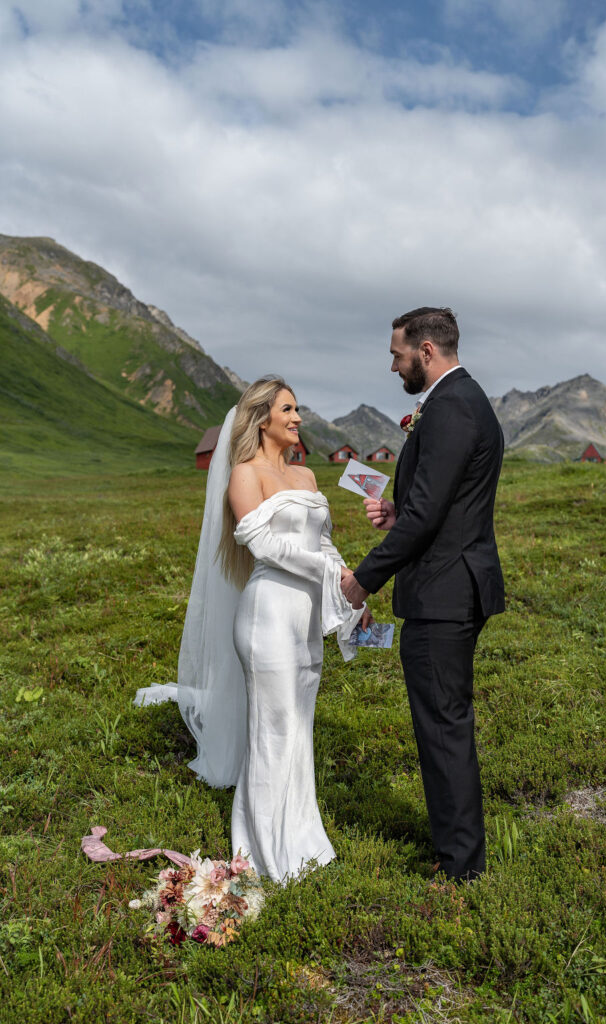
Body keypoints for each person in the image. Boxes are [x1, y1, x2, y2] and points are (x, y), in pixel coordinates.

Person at [137, 376, 368, 884]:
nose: (298, 418)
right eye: (288, 409)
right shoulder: (244, 474)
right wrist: (333, 575)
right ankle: (265, 852)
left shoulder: (307, 477)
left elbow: (323, 545)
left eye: (298, 409)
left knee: (299, 727)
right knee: (272, 729)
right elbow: (263, 545)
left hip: (305, 617)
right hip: (266, 614)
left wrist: (354, 589)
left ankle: (305, 841)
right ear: (262, 417)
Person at [341, 308, 505, 883]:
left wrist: (363, 579)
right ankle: (456, 850)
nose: (393, 366)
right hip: (448, 583)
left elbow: (432, 512)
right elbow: (437, 505)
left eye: (397, 355)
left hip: (445, 592)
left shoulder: (453, 408)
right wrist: (395, 512)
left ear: (427, 350)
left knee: (443, 726)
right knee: (443, 722)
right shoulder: (455, 403)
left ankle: (461, 866)